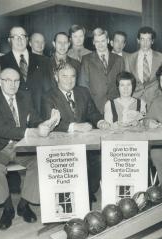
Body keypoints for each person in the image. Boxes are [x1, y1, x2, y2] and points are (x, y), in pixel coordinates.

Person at [0, 68, 60, 230]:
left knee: (42, 163)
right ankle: (7, 207)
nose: (13, 84)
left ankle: (24, 204)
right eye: (8, 80)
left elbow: (35, 119)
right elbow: (2, 129)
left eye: (16, 81)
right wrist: (32, 131)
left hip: (23, 147)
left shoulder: (25, 97)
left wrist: (46, 123)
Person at [41, 62, 110, 206]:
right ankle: (78, 195)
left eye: (72, 76)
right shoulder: (48, 96)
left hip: (85, 142)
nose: (69, 80)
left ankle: (88, 190)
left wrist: (100, 122)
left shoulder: (83, 91)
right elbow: (50, 123)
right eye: (64, 76)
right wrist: (75, 126)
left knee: (100, 158)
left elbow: (93, 113)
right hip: (60, 146)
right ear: (56, 77)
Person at [0, 26, 51, 114]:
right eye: (15, 37)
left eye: (22, 36)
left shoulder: (43, 61)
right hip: (13, 114)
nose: (19, 40)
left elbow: (49, 89)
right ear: (9, 40)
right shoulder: (1, 61)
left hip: (40, 113)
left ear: (27, 39)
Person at [78, 27, 125, 114]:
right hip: (95, 108)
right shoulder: (86, 60)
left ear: (107, 40)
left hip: (116, 106)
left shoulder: (119, 60)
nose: (100, 44)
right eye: (97, 41)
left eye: (103, 41)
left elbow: (123, 84)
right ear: (93, 42)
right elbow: (83, 86)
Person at [125, 26, 162, 107]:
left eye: (148, 39)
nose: (145, 43)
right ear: (138, 40)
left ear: (152, 41)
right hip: (135, 100)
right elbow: (127, 81)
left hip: (155, 100)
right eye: (142, 39)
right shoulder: (129, 58)